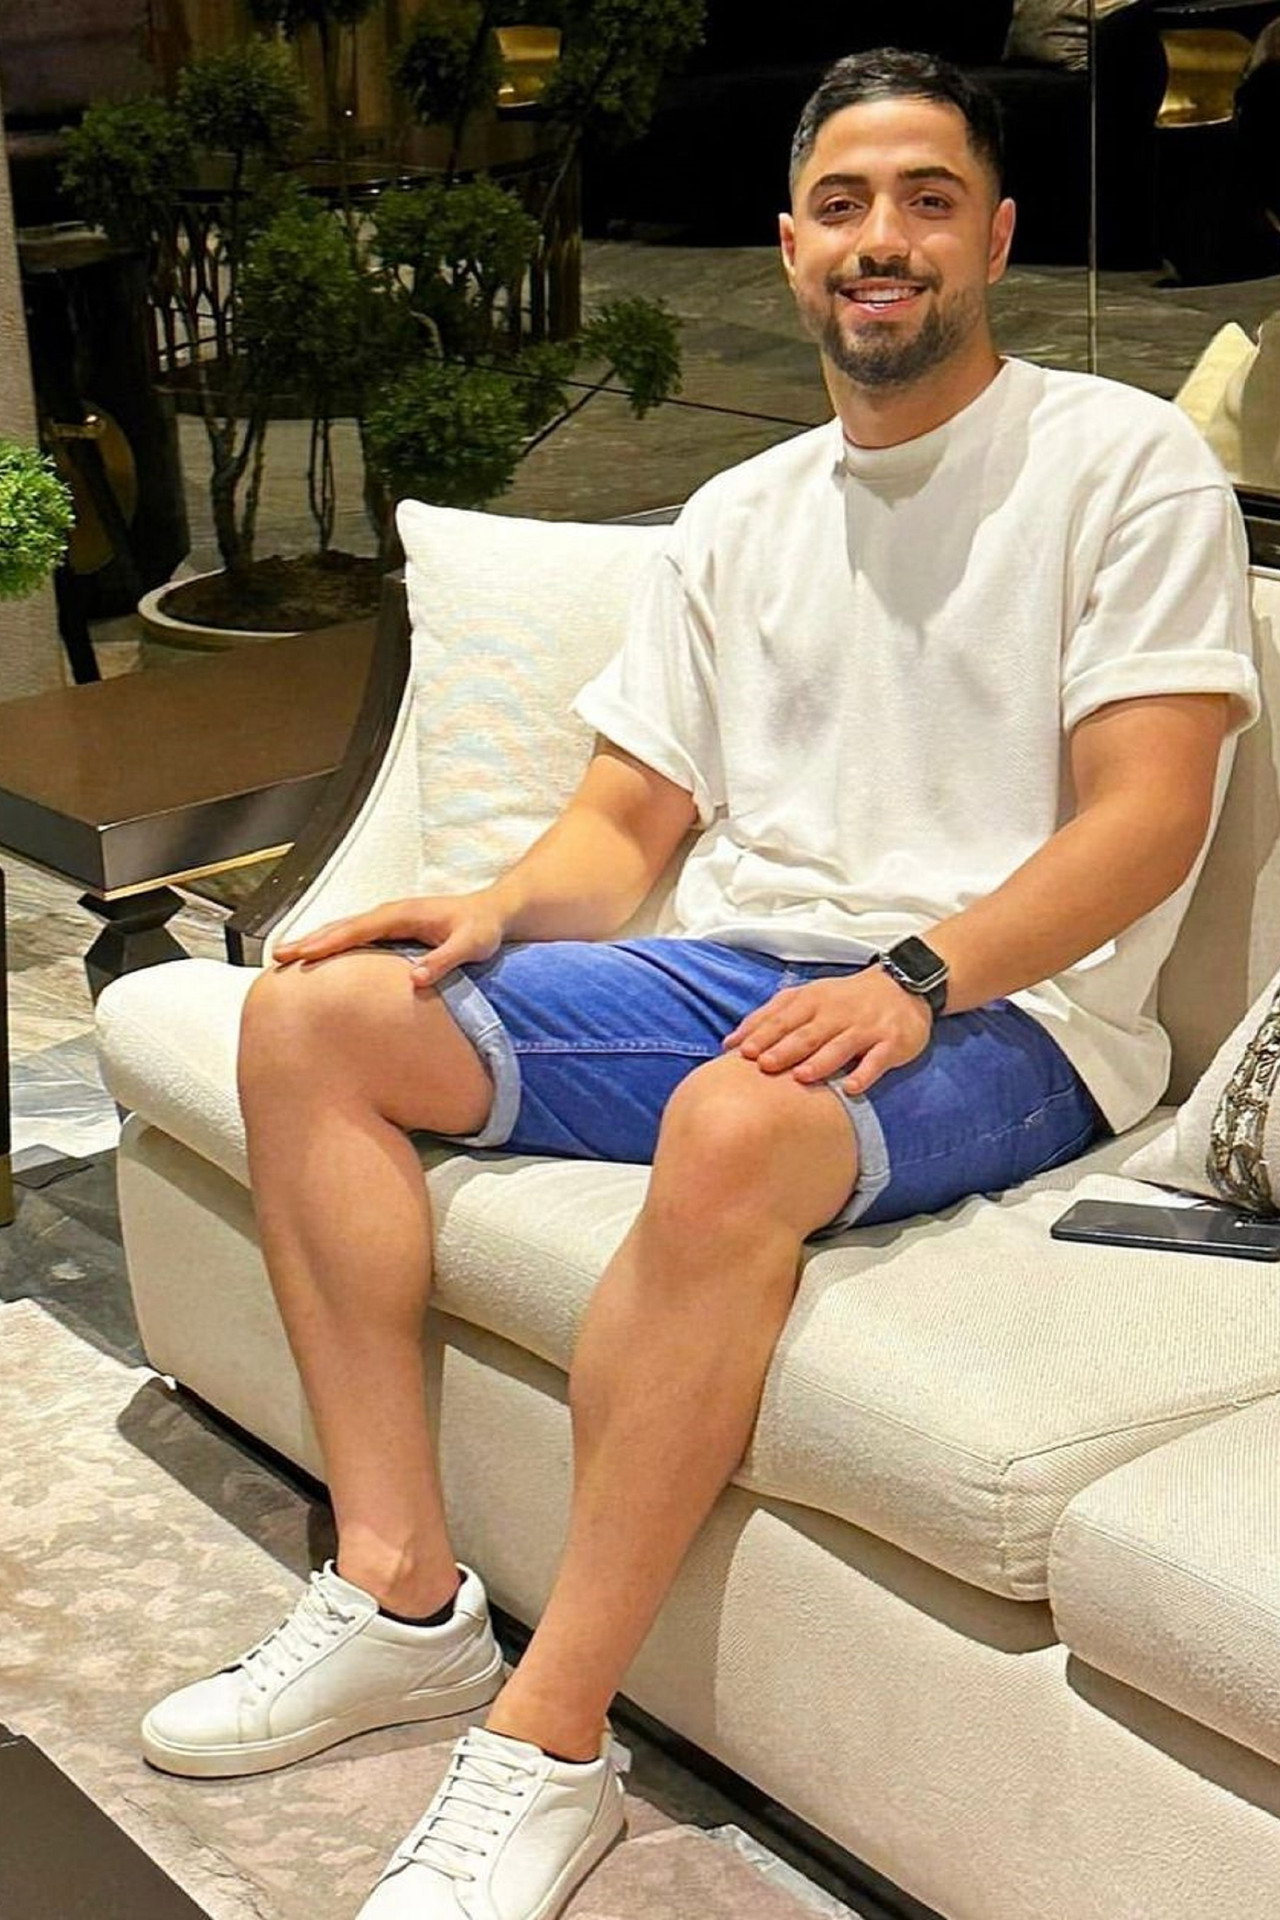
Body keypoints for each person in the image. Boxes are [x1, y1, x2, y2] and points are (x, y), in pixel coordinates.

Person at [141, 46, 1258, 1920]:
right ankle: (400, 1594)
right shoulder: (740, 513)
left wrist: (919, 973)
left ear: (996, 237)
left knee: (741, 1125)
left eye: (926, 201)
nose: (882, 239)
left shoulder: (1119, 463)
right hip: (739, 969)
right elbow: (624, 823)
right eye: (843, 204)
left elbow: (1145, 821)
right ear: (790, 246)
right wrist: (492, 908)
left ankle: (546, 1745)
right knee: (314, 1017)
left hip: (1016, 1013)